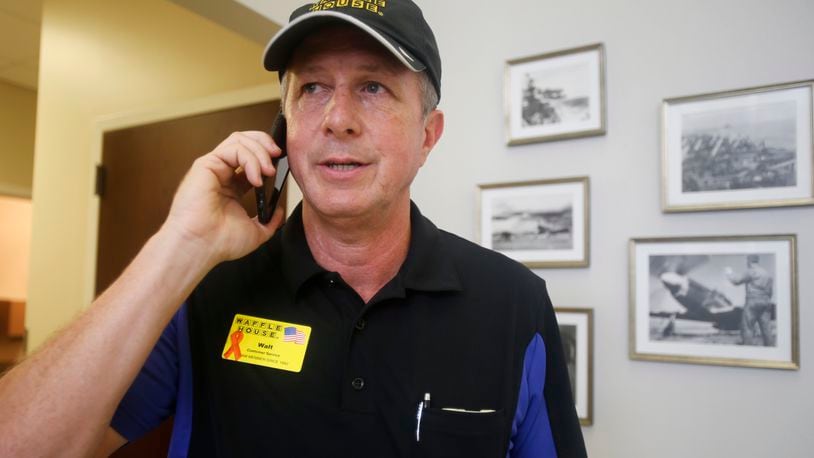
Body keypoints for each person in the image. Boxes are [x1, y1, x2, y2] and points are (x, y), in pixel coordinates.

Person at [0, 1, 586, 457]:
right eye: (312, 89)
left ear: (427, 135)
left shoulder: (513, 305)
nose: (337, 119)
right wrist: (181, 245)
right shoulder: (206, 288)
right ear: (284, 129)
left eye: (373, 87)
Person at [725, 254, 775, 347]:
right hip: (766, 301)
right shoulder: (767, 274)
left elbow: (736, 281)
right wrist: (765, 299)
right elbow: (770, 291)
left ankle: (748, 349)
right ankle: (770, 348)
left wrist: (729, 273)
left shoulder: (751, 271)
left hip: (753, 301)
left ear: (748, 261)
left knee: (747, 327)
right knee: (766, 328)